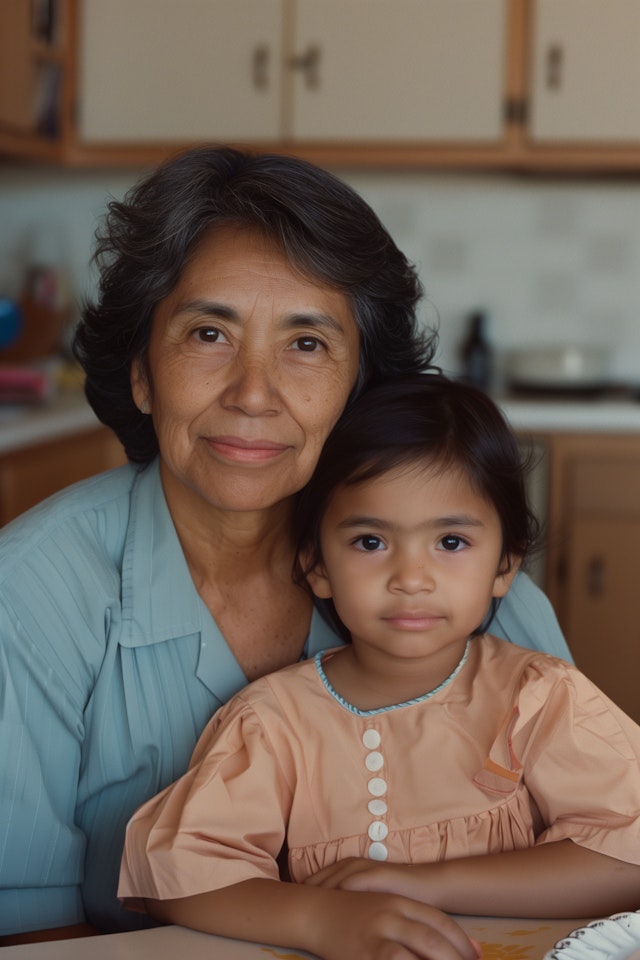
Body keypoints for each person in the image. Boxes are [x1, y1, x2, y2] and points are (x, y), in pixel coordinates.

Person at [0, 146, 571, 946]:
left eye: (306, 344)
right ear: (141, 373)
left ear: (359, 380)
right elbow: (22, 936)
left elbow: (599, 855)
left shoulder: (458, 588)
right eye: (208, 333)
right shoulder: (28, 600)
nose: (254, 394)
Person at [118, 373, 640, 960]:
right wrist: (323, 919)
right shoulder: (275, 722)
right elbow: (178, 873)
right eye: (370, 542)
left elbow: (628, 856)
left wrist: (420, 886)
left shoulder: (540, 699)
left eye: (450, 543)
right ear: (317, 565)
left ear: (504, 567)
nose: (411, 578)